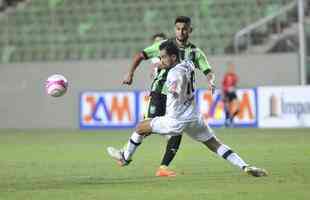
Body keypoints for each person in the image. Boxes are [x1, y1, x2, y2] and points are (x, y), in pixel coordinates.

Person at [107, 41, 268, 177]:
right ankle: (245, 166)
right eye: (160, 57)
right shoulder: (188, 64)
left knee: (140, 127)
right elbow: (188, 74)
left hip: (175, 120)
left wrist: (171, 89)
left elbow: (175, 89)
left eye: (163, 57)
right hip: (194, 117)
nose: (161, 60)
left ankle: (125, 156)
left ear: (173, 57)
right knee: (215, 144)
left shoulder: (173, 75)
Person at [122, 16, 215, 177]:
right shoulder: (164, 46)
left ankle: (163, 167)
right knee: (146, 126)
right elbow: (141, 55)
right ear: (175, 29)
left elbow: (208, 71)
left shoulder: (195, 52)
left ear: (190, 30)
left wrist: (211, 82)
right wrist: (130, 73)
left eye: (184, 28)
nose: (181, 31)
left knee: (176, 129)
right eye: (178, 28)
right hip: (160, 92)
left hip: (178, 99)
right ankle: (125, 155)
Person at [222, 62, 239, 127]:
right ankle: (227, 121)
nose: (231, 69)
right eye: (230, 68)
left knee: (237, 108)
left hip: (233, 93)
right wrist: (223, 94)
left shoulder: (234, 76)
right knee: (227, 108)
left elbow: (234, 85)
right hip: (227, 93)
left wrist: (233, 88)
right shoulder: (226, 76)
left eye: (232, 68)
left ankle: (231, 119)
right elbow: (223, 85)